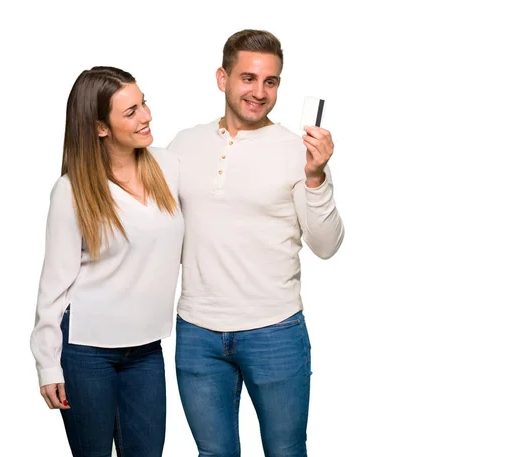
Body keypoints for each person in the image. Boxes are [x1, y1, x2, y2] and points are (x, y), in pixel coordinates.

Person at [167, 30, 345, 456]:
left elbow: (327, 244)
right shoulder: (183, 144)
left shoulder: (296, 150)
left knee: (285, 451)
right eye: (248, 78)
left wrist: (317, 176)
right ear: (221, 78)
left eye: (271, 81)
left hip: (274, 330)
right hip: (197, 331)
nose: (259, 92)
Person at [30, 66, 184, 457]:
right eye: (130, 111)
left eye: (143, 103)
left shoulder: (168, 167)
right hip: (86, 352)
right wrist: (48, 364)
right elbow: (55, 284)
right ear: (100, 127)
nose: (146, 115)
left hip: (147, 350)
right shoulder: (71, 191)